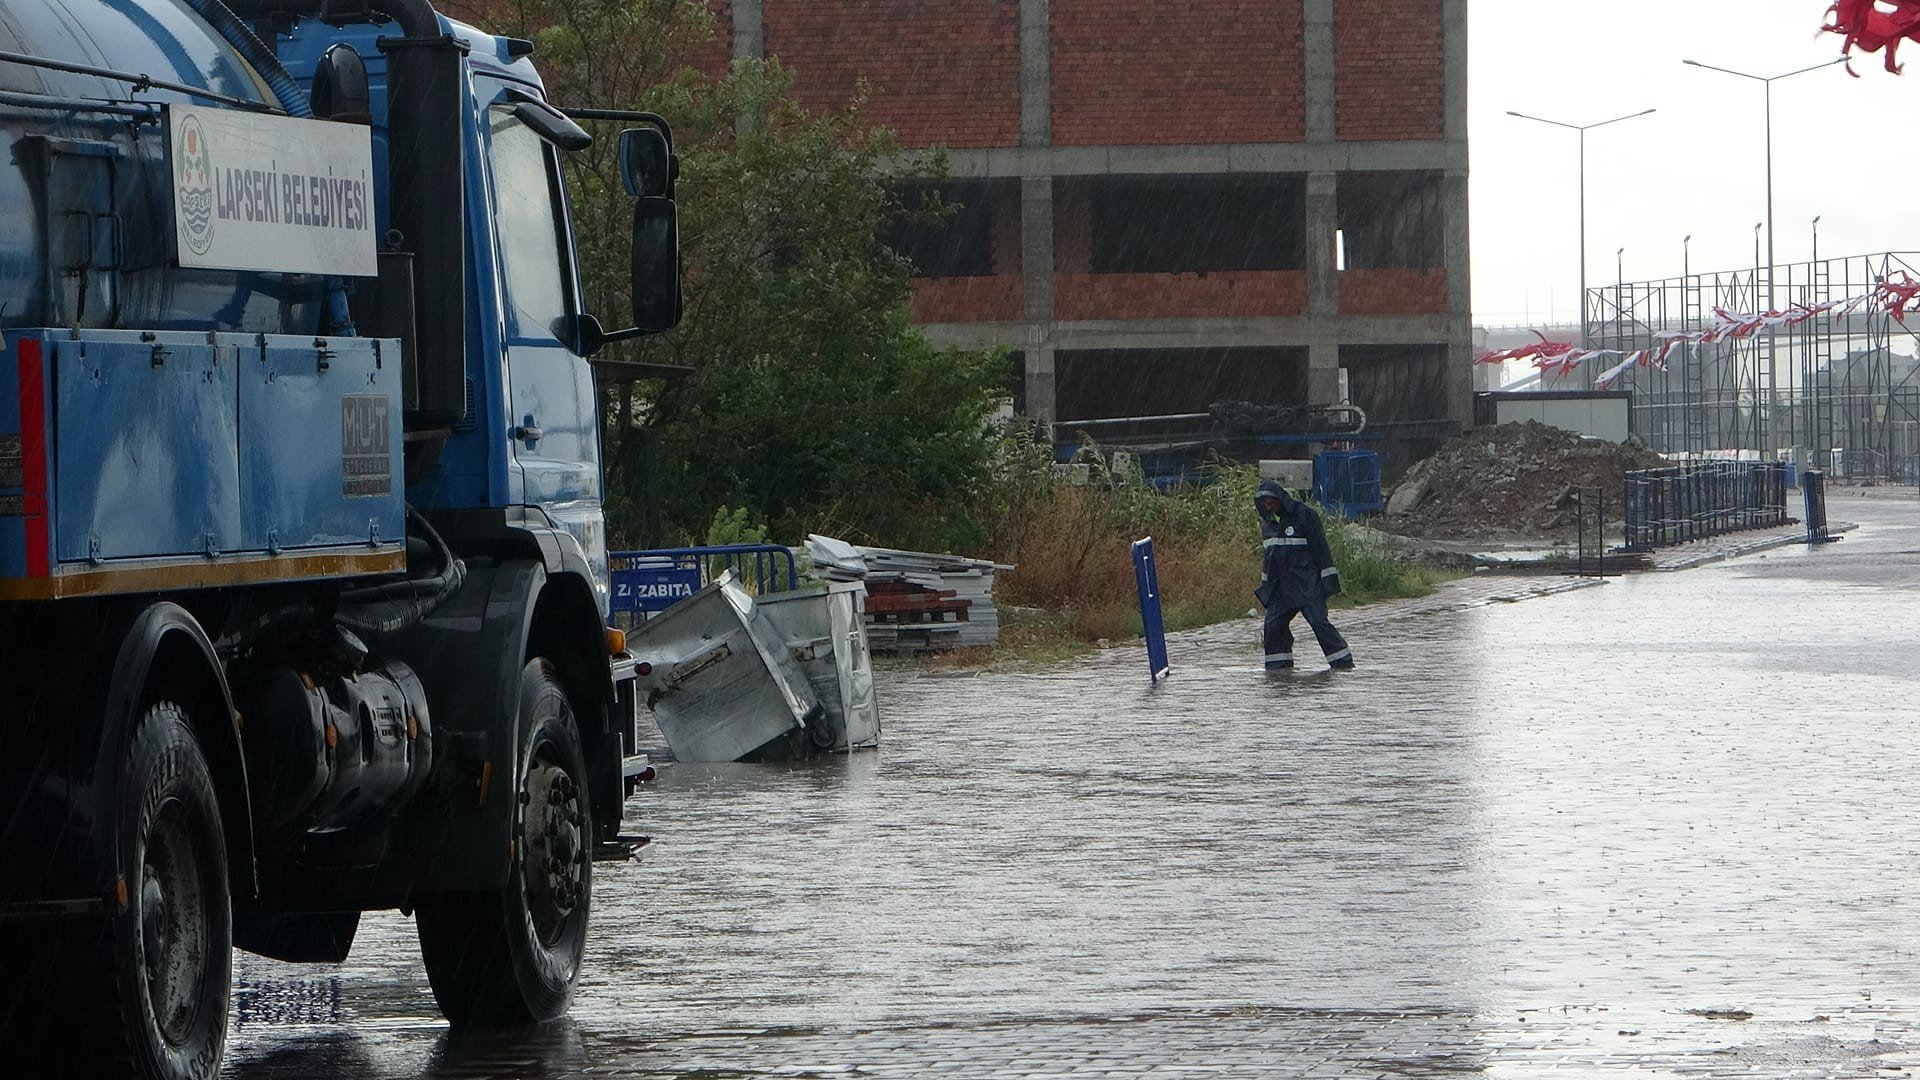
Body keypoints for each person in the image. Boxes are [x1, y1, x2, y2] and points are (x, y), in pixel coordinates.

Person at [1254, 478, 1353, 671]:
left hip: (1307, 584)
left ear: (1280, 498)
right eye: (1264, 503)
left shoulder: (1305, 516)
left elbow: (1321, 550)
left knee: (1318, 622)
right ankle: (1278, 669)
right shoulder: (1267, 526)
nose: (1268, 505)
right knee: (1273, 626)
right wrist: (1266, 587)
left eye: (1271, 501)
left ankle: (1343, 664)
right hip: (1281, 589)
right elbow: (1269, 561)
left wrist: (1328, 583)